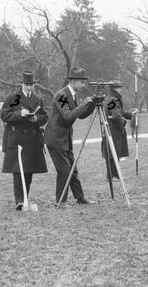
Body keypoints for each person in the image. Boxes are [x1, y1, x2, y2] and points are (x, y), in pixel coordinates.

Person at [44, 68, 98, 207]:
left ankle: (80, 198)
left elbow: (80, 115)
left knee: (73, 170)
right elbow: (68, 116)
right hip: (55, 139)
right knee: (64, 170)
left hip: (65, 139)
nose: (83, 85)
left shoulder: (72, 95)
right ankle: (61, 201)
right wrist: (84, 103)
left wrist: (92, 104)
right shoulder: (61, 95)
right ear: (73, 81)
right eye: (81, 82)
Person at [1, 71, 49, 210]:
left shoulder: (38, 98)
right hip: (17, 138)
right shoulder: (12, 97)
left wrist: (36, 119)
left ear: (34, 84)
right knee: (18, 170)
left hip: (32, 139)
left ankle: (25, 197)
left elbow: (44, 116)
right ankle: (20, 201)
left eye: (31, 85)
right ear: (22, 84)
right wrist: (18, 114)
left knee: (29, 170)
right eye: (26, 84)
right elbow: (4, 115)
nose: (29, 87)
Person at [102, 81, 137, 180]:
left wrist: (131, 115)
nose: (120, 89)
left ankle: (113, 175)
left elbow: (119, 112)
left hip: (110, 128)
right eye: (119, 87)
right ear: (115, 89)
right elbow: (116, 116)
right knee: (113, 152)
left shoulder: (110, 98)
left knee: (113, 152)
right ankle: (112, 175)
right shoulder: (113, 99)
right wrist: (123, 123)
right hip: (114, 129)